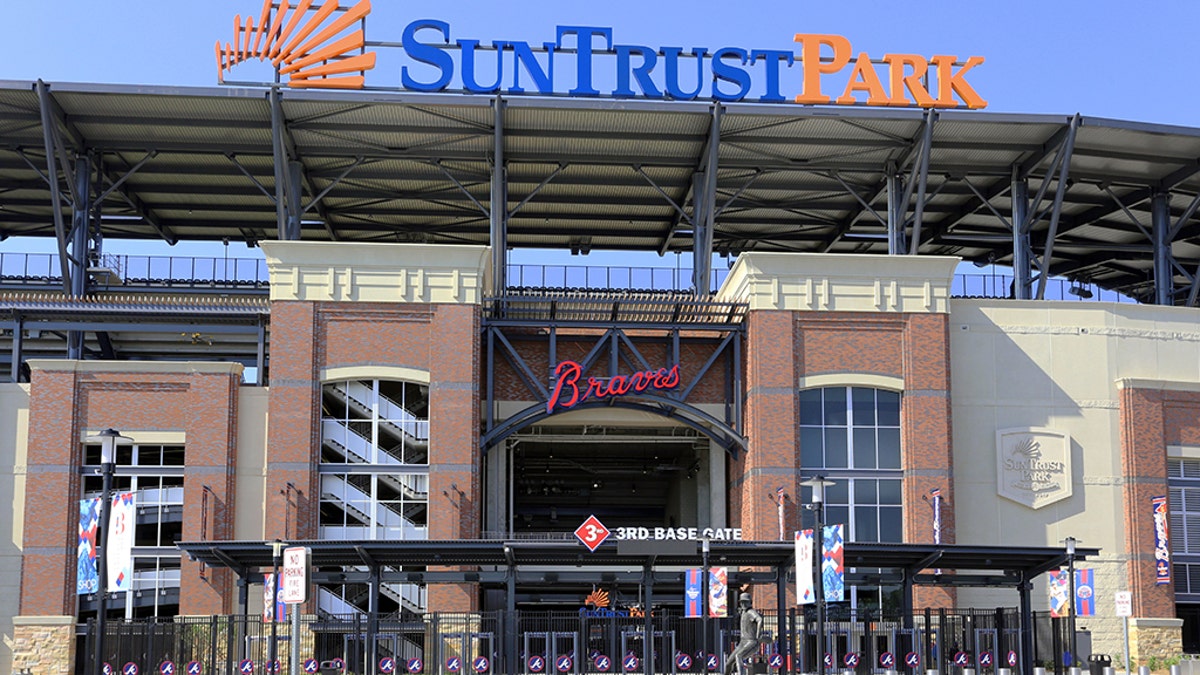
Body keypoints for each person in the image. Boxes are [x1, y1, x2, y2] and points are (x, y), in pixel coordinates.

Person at [724, 592, 763, 675]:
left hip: (751, 642)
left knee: (739, 656)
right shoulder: (743, 612)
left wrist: (758, 635)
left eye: (745, 602)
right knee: (728, 663)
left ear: (750, 602)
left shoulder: (751, 612)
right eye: (742, 602)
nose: (743, 604)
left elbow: (759, 619)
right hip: (742, 643)